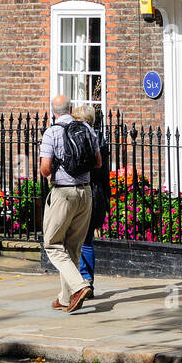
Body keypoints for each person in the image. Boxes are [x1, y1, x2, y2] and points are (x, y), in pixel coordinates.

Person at [39, 93, 102, 313]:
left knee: (53, 244)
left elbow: (45, 169)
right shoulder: (86, 129)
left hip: (63, 194)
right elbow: (98, 162)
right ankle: (66, 298)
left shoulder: (52, 132)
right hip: (86, 193)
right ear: (70, 108)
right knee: (73, 248)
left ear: (53, 111)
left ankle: (79, 286)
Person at [71, 103, 110, 298]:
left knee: (75, 241)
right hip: (97, 192)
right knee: (87, 241)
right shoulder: (101, 138)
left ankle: (78, 283)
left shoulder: (74, 137)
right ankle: (87, 282)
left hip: (80, 190)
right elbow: (104, 173)